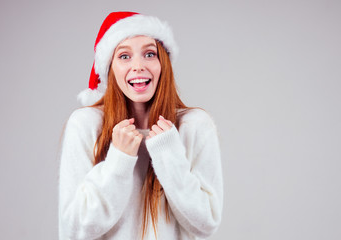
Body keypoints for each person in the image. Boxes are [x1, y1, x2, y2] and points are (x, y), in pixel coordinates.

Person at [58, 11, 223, 240]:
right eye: (124, 56)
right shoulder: (86, 125)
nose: (138, 66)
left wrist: (168, 154)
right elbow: (73, 232)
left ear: (162, 63)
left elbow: (206, 223)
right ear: (109, 67)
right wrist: (119, 160)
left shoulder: (195, 126)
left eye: (149, 54)